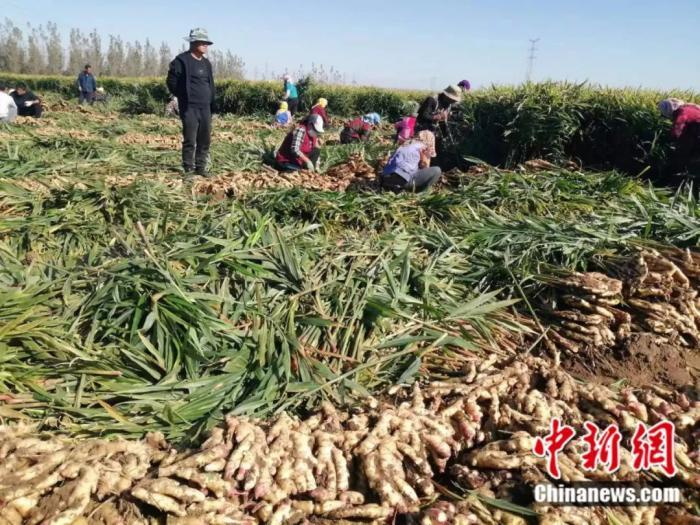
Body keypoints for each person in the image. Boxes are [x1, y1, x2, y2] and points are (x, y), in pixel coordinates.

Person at [167, 28, 216, 176]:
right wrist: (183, 96)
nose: (206, 45)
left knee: (205, 139)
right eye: (203, 43)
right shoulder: (181, 61)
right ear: (194, 43)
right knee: (190, 139)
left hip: (205, 107)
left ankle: (200, 167)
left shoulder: (206, 63)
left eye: (207, 43)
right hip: (190, 107)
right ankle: (188, 168)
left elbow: (210, 84)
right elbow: (171, 82)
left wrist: (212, 101)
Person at [659, 98, 700, 173]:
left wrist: (672, 138)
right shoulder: (691, 108)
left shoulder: (682, 111)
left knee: (683, 148)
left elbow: (679, 125)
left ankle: (681, 170)